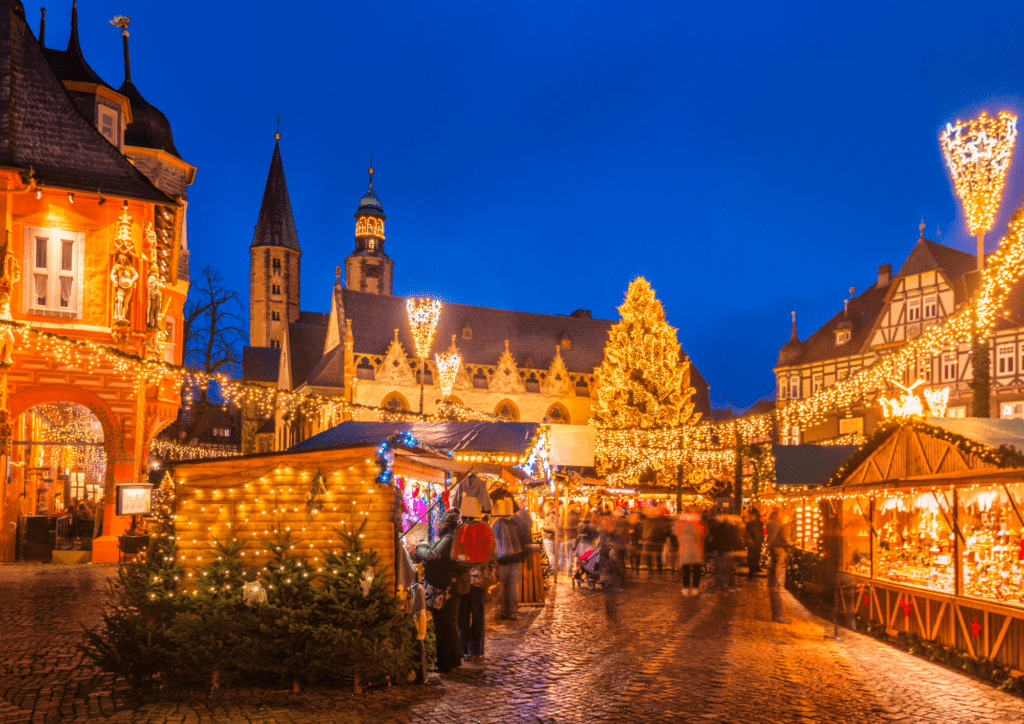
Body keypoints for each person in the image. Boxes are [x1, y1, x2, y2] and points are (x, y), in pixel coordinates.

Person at [411, 508, 465, 672]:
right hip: (447, 587)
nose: (438, 525)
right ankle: (451, 661)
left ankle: (446, 663)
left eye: (440, 522)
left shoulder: (449, 537)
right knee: (447, 624)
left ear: (447, 524)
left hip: (445, 588)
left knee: (445, 625)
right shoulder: (452, 537)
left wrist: (419, 547)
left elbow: (433, 556)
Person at [453, 497, 496, 660]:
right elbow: (493, 553)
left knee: (462, 614)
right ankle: (475, 649)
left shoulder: (461, 529)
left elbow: (455, 554)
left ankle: (462, 648)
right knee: (477, 614)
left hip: (464, 577)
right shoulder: (486, 528)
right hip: (480, 577)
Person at [491, 498, 532, 620]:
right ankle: (513, 612)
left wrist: (495, 558)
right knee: (514, 585)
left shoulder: (496, 524)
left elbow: (494, 544)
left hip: (503, 559)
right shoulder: (518, 522)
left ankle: (504, 611)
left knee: (503, 585)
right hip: (517, 558)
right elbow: (526, 538)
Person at [765, 509, 795, 623]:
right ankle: (778, 615)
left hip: (773, 555)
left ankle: (776, 615)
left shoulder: (779, 525)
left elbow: (772, 540)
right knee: (777, 586)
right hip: (779, 554)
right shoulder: (786, 526)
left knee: (773, 586)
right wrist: (793, 545)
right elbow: (785, 539)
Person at [675, 506, 705, 596]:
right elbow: (701, 539)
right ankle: (695, 588)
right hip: (696, 550)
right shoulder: (698, 525)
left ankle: (685, 588)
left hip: (684, 549)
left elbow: (677, 537)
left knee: (685, 570)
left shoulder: (680, 525)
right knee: (696, 570)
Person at [641, 508, 670, 574]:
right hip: (648, 540)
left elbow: (663, 531)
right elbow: (643, 530)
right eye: (650, 511)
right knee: (648, 557)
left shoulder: (660, 521)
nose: (651, 513)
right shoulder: (645, 521)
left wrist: (663, 540)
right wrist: (643, 538)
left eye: (653, 511)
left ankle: (659, 569)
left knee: (658, 557)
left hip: (657, 541)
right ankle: (650, 569)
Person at [745, 508, 765, 578]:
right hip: (753, 542)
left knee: (757, 555)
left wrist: (762, 539)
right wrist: (750, 540)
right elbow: (747, 533)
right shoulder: (750, 524)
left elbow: (760, 532)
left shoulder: (758, 523)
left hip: (757, 541)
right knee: (752, 556)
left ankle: (755, 568)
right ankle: (751, 570)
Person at [627, 510, 643, 574]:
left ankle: (637, 568)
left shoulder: (639, 525)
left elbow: (640, 533)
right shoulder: (630, 525)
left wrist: (640, 539)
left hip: (637, 542)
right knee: (631, 556)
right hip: (631, 542)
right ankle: (632, 567)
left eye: (634, 518)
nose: (633, 519)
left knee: (637, 556)